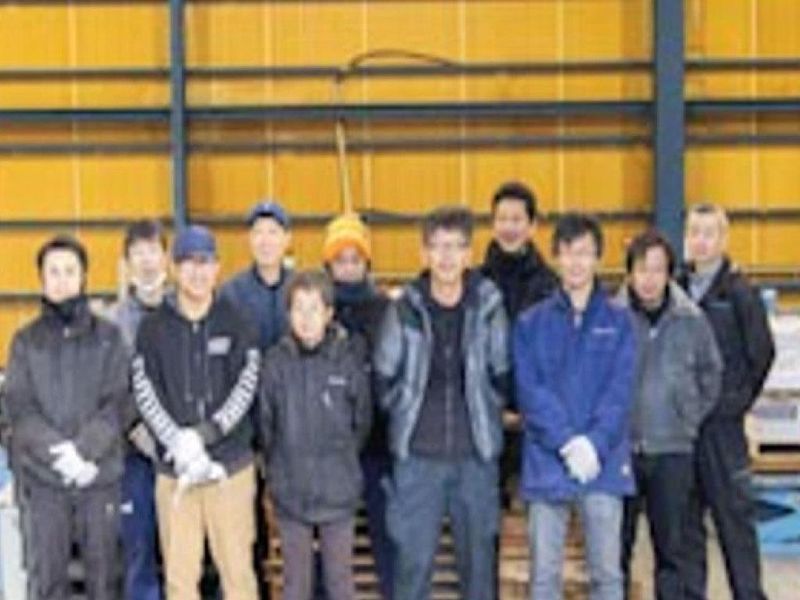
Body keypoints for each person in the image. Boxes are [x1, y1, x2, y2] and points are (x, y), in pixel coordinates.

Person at [374, 206, 510, 600]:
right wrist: (407, 411)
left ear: (469, 254)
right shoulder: (405, 308)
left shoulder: (488, 305)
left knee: (479, 571)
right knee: (412, 570)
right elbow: (383, 376)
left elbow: (502, 372)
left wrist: (486, 410)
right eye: (437, 246)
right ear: (424, 253)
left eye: (456, 247)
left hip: (476, 458)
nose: (446, 256)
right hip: (418, 460)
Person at [133, 225, 260, 600]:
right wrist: (177, 443)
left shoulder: (238, 321)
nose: (197, 272)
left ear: (217, 268)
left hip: (229, 470)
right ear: (174, 269)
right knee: (179, 579)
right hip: (175, 473)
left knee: (238, 576)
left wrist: (205, 435)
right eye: (188, 263)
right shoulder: (152, 329)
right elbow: (145, 389)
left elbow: (246, 384)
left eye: (205, 262)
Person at [514, 213, 636, 600]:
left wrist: (594, 444)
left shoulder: (620, 322)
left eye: (584, 253)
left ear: (598, 258)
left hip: (603, 463)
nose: (576, 262)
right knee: (544, 577)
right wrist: (567, 442)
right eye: (567, 253)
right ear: (556, 258)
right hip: (547, 460)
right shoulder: (531, 324)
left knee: (607, 576)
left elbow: (619, 391)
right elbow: (530, 390)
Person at [4, 235, 131, 600]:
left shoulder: (109, 338)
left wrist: (85, 452)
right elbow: (19, 408)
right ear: (42, 279)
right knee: (47, 583)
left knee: (105, 583)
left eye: (70, 271)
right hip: (44, 483)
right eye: (54, 272)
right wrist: (59, 454)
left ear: (83, 277)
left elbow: (118, 402)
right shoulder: (25, 342)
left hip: (99, 478)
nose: (62, 280)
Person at [617, 229, 722, 600]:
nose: (649, 279)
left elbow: (711, 374)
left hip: (673, 452)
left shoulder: (691, 319)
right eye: (641, 270)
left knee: (673, 554)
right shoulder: (612, 319)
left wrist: (686, 418)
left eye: (657, 270)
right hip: (621, 452)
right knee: (615, 552)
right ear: (629, 273)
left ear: (669, 274)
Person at [678, 204, 775, 600]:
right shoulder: (674, 289)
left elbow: (761, 353)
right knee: (686, 529)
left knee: (735, 525)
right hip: (683, 430)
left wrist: (736, 403)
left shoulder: (739, 294)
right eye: (694, 232)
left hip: (722, 430)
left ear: (723, 239)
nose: (700, 241)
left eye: (709, 233)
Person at [260, 270, 371, 600]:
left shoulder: (348, 359)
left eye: (314, 309)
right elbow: (266, 425)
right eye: (299, 309)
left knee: (340, 584)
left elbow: (361, 422)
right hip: (291, 493)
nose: (306, 318)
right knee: (296, 586)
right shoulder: (275, 363)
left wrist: (342, 462)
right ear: (288, 314)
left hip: (338, 492)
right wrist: (279, 471)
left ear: (329, 313)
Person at [322, 213, 393, 599]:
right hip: (331, 448)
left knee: (386, 535)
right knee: (329, 543)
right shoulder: (317, 309)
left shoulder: (385, 310)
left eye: (355, 259)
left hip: (379, 444)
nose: (348, 267)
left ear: (367, 263)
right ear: (329, 264)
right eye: (340, 259)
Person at [481, 180, 558, 509]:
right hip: (486, 420)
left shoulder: (551, 287)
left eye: (517, 219)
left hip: (536, 422)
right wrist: (493, 406)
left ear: (532, 226)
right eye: (502, 219)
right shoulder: (475, 284)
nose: (509, 227)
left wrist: (530, 409)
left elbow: (556, 357)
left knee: (538, 517)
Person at [107, 219, 169, 600]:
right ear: (127, 262)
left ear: (166, 258)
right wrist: (135, 427)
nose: (147, 261)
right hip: (134, 456)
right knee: (139, 552)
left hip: (182, 454)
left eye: (153, 251)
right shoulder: (113, 325)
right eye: (138, 253)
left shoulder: (184, 313)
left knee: (185, 556)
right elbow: (109, 388)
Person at [221, 200, 293, 352]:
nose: (265, 241)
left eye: (273, 232)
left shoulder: (300, 287)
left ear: (287, 239)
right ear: (249, 239)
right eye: (258, 232)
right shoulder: (231, 293)